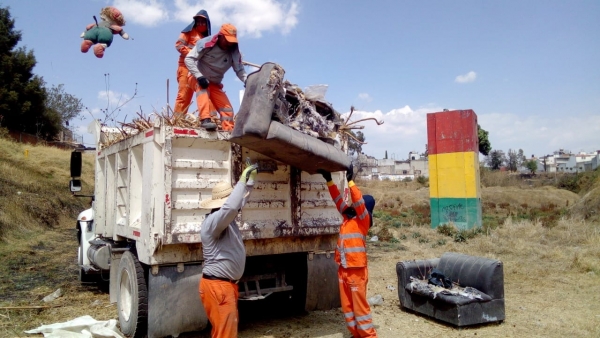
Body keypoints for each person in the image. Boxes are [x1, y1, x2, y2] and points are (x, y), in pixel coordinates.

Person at [198, 163, 258, 338]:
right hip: (218, 287)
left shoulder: (225, 220)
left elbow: (238, 203)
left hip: (224, 286)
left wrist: (250, 182)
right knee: (225, 334)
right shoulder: (213, 223)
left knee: (223, 332)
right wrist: (241, 181)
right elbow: (232, 207)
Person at [318, 166, 378, 338]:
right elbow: (337, 199)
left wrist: (351, 181)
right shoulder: (348, 216)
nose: (352, 205)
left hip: (356, 271)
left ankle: (368, 335)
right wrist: (329, 180)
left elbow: (358, 201)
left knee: (360, 309)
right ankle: (356, 334)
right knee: (348, 308)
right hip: (344, 270)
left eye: (358, 205)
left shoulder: (363, 220)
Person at [184, 23, 247, 131]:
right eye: (227, 40)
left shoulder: (234, 52)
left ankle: (229, 131)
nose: (229, 44)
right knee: (202, 88)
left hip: (214, 83)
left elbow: (240, 70)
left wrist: (247, 81)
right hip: (197, 78)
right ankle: (205, 120)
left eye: (231, 41)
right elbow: (188, 59)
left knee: (227, 109)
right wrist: (199, 76)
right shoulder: (205, 43)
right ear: (220, 36)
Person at [174, 10, 211, 115]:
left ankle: (212, 119)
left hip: (200, 69)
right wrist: (194, 54)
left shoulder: (207, 39)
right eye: (198, 21)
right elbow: (179, 45)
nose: (200, 24)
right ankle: (178, 120)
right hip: (186, 67)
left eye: (203, 22)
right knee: (184, 95)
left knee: (207, 92)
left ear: (207, 24)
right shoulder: (188, 32)